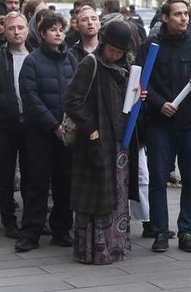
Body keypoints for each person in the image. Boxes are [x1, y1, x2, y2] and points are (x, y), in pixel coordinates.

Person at [63, 20, 141, 264]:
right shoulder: (91, 63)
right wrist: (91, 129)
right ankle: (95, 251)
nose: (115, 55)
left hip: (119, 144)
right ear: (103, 44)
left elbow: (125, 100)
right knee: (96, 198)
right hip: (96, 143)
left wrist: (138, 95)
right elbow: (71, 100)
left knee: (117, 196)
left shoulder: (124, 67)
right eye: (112, 50)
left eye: (119, 52)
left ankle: (116, 247)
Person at [139, 0, 191, 254]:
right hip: (160, 125)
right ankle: (161, 232)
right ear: (165, 17)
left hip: (189, 124)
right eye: (177, 14)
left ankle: (187, 230)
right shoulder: (151, 46)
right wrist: (158, 103)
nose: (184, 18)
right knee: (157, 180)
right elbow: (143, 82)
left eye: (186, 14)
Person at [16, 12, 77, 252]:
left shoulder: (71, 60)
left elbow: (77, 94)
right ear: (42, 34)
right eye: (53, 29)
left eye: (61, 29)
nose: (58, 33)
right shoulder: (32, 61)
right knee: (37, 184)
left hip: (66, 134)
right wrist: (54, 126)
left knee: (65, 183)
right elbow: (30, 98)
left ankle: (61, 229)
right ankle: (30, 233)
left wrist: (68, 126)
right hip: (40, 133)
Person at [0, 11, 31, 239]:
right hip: (6, 123)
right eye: (12, 28)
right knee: (5, 173)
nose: (16, 32)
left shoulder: (35, 55)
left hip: (32, 124)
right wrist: (7, 104)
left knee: (33, 173)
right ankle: (8, 220)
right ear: (4, 31)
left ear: (28, 30)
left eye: (20, 27)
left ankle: (32, 219)